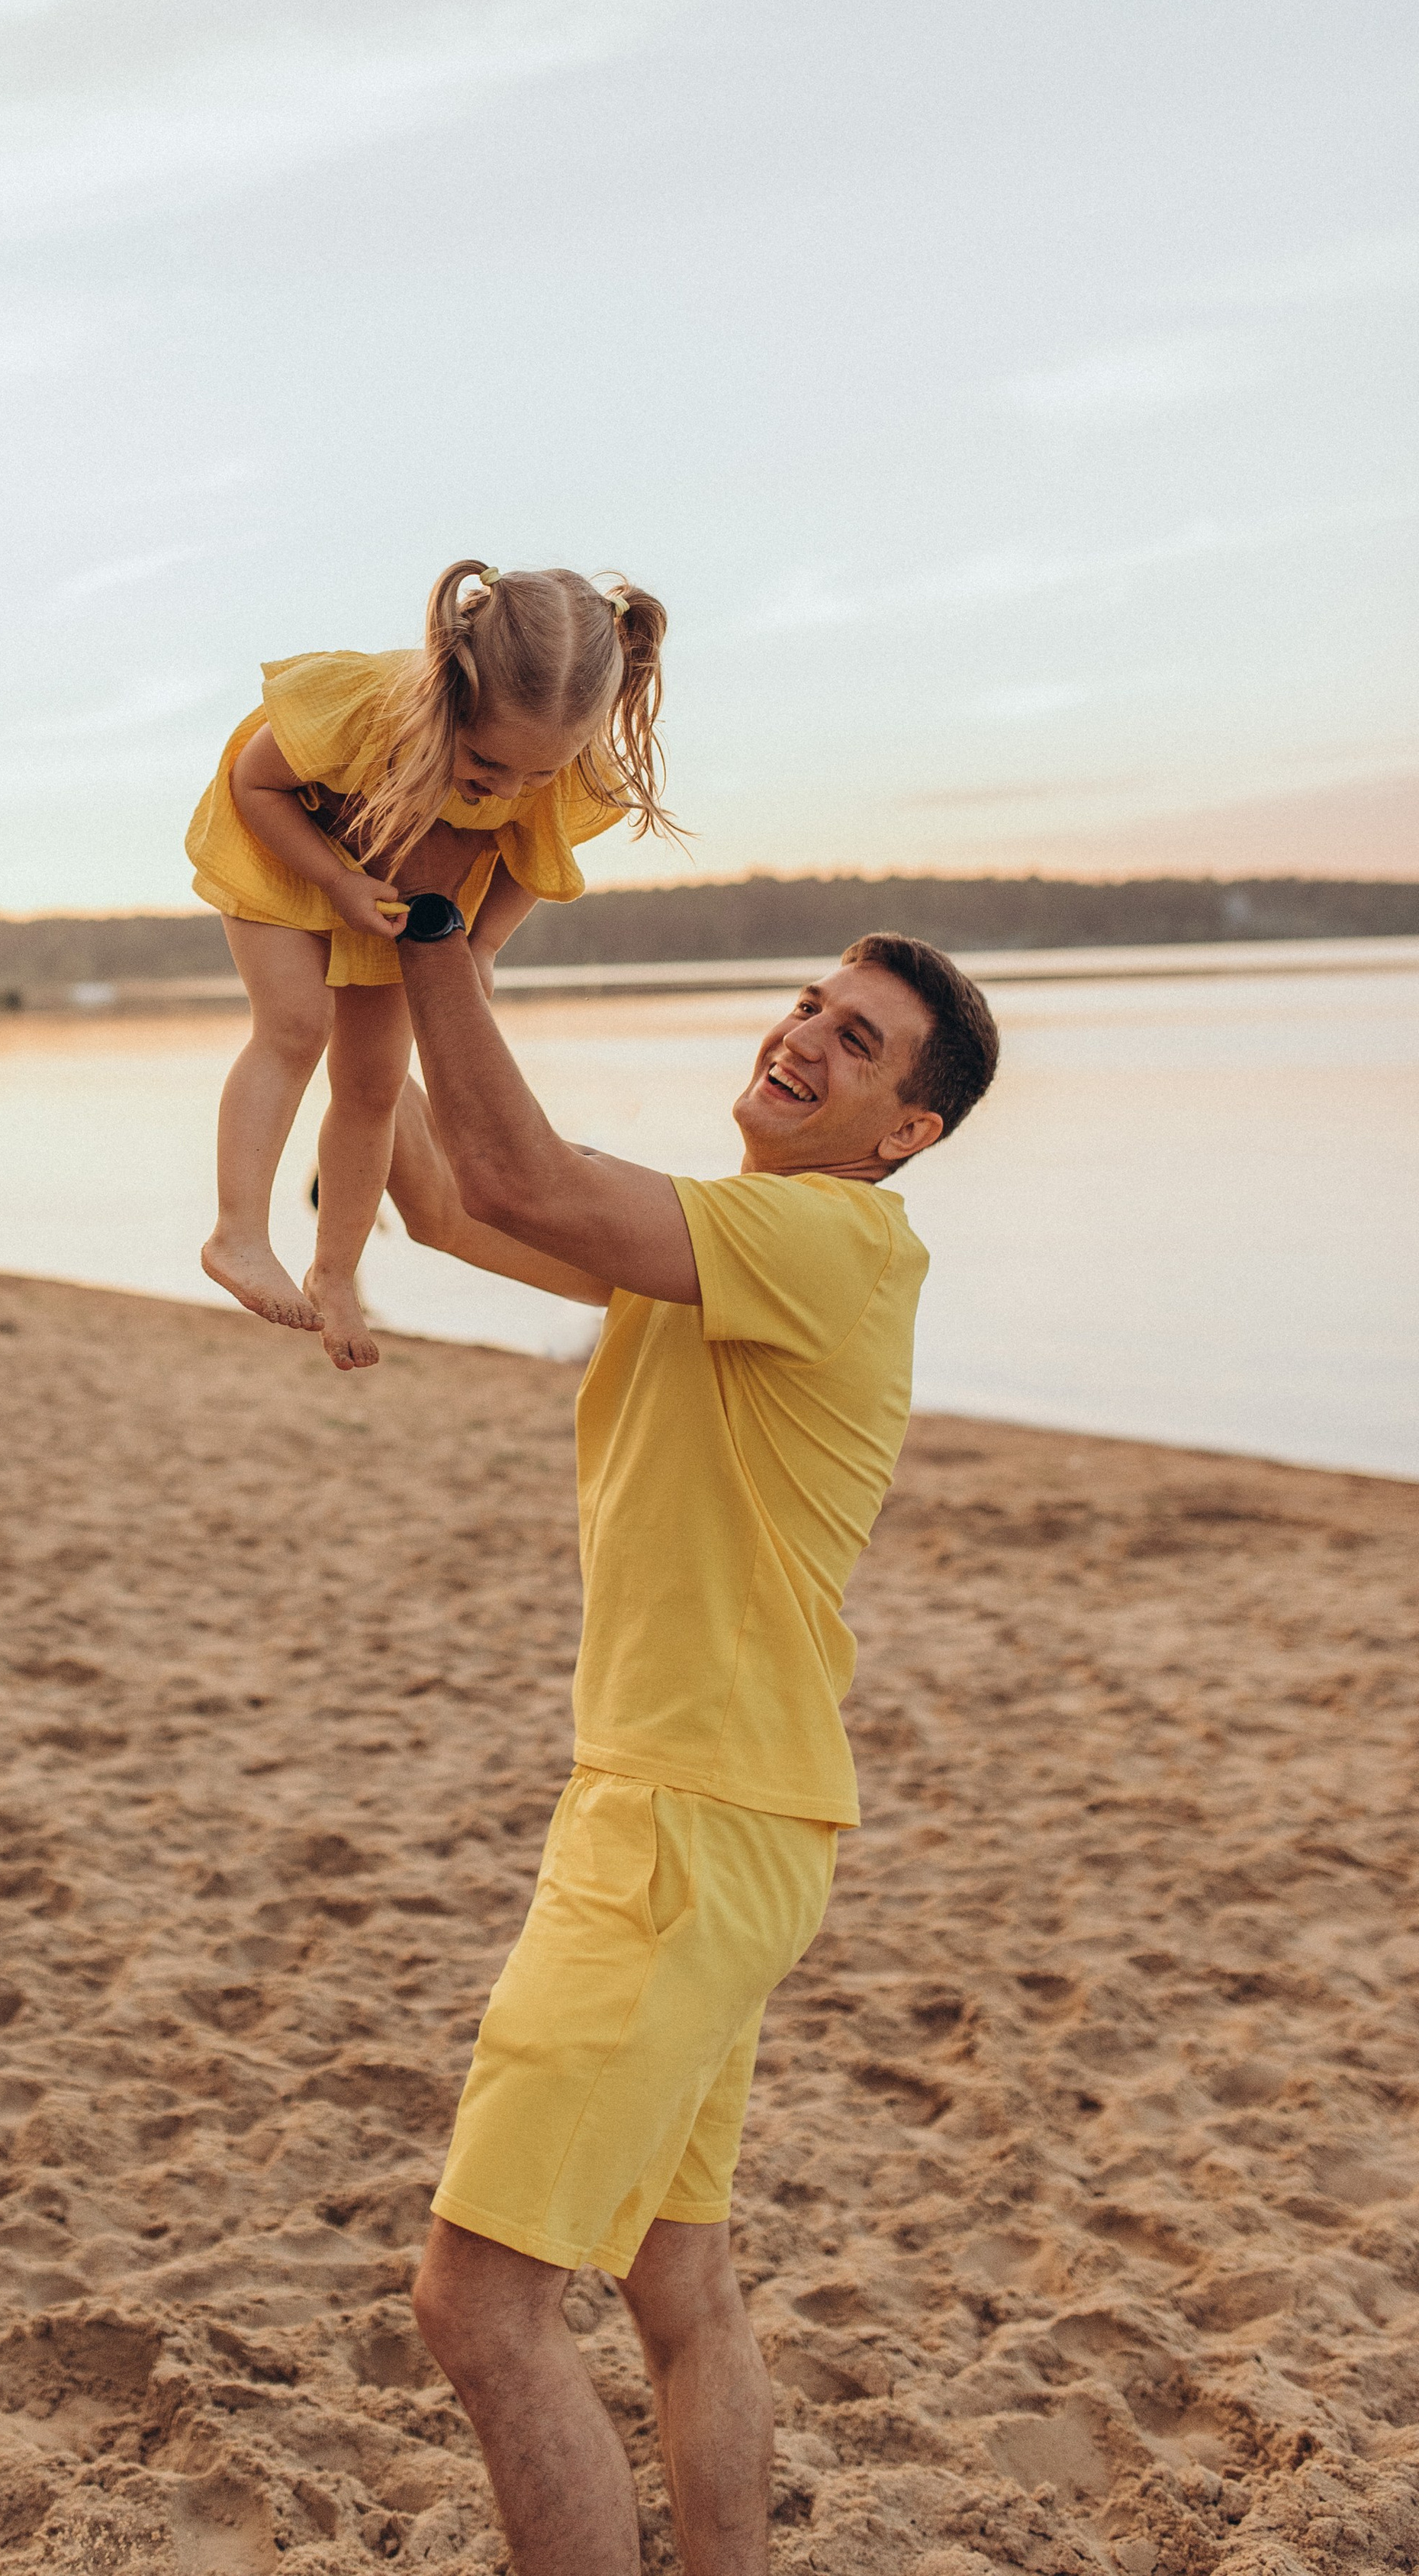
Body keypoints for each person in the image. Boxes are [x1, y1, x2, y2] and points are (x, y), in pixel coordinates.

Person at [382, 829, 999, 2576]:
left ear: (902, 1132)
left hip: (681, 1832)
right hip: (723, 1819)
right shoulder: (734, 1246)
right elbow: (443, 1194)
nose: (801, 1034)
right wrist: (353, 975)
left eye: (855, 1042)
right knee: (680, 2283)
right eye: (808, 1002)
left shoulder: (827, 1242)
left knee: (476, 2308)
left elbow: (519, 1170)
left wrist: (432, 930)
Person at [185, 559, 675, 1370]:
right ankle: (236, 1234)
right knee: (295, 1027)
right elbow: (255, 783)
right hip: (287, 854)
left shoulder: (560, 764)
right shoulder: (367, 708)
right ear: (450, 693)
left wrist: (482, 944)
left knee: (374, 1083)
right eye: (485, 764)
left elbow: (534, 858)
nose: (508, 789)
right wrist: (336, 880)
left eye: (538, 773)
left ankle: (334, 1272)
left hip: (395, 882)